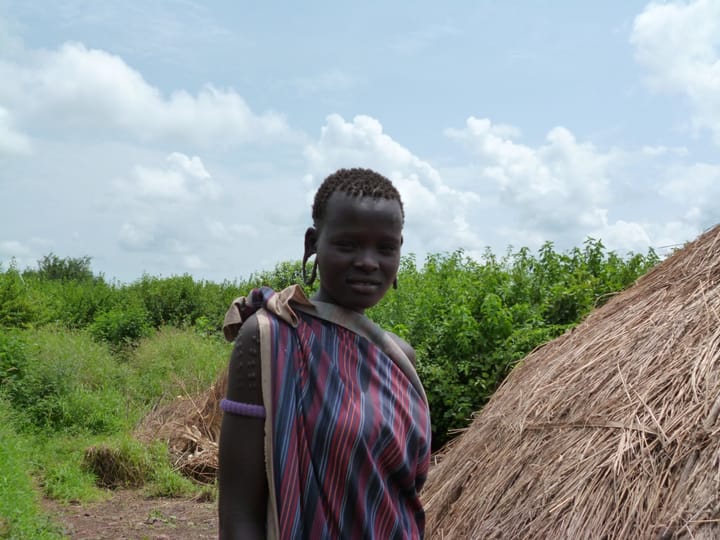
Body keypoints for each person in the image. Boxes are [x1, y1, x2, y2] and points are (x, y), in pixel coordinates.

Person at [218, 168, 431, 539]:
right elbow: (239, 511)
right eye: (348, 244)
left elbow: (402, 492)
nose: (368, 261)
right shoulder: (270, 340)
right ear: (312, 244)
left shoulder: (400, 359)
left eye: (385, 247)